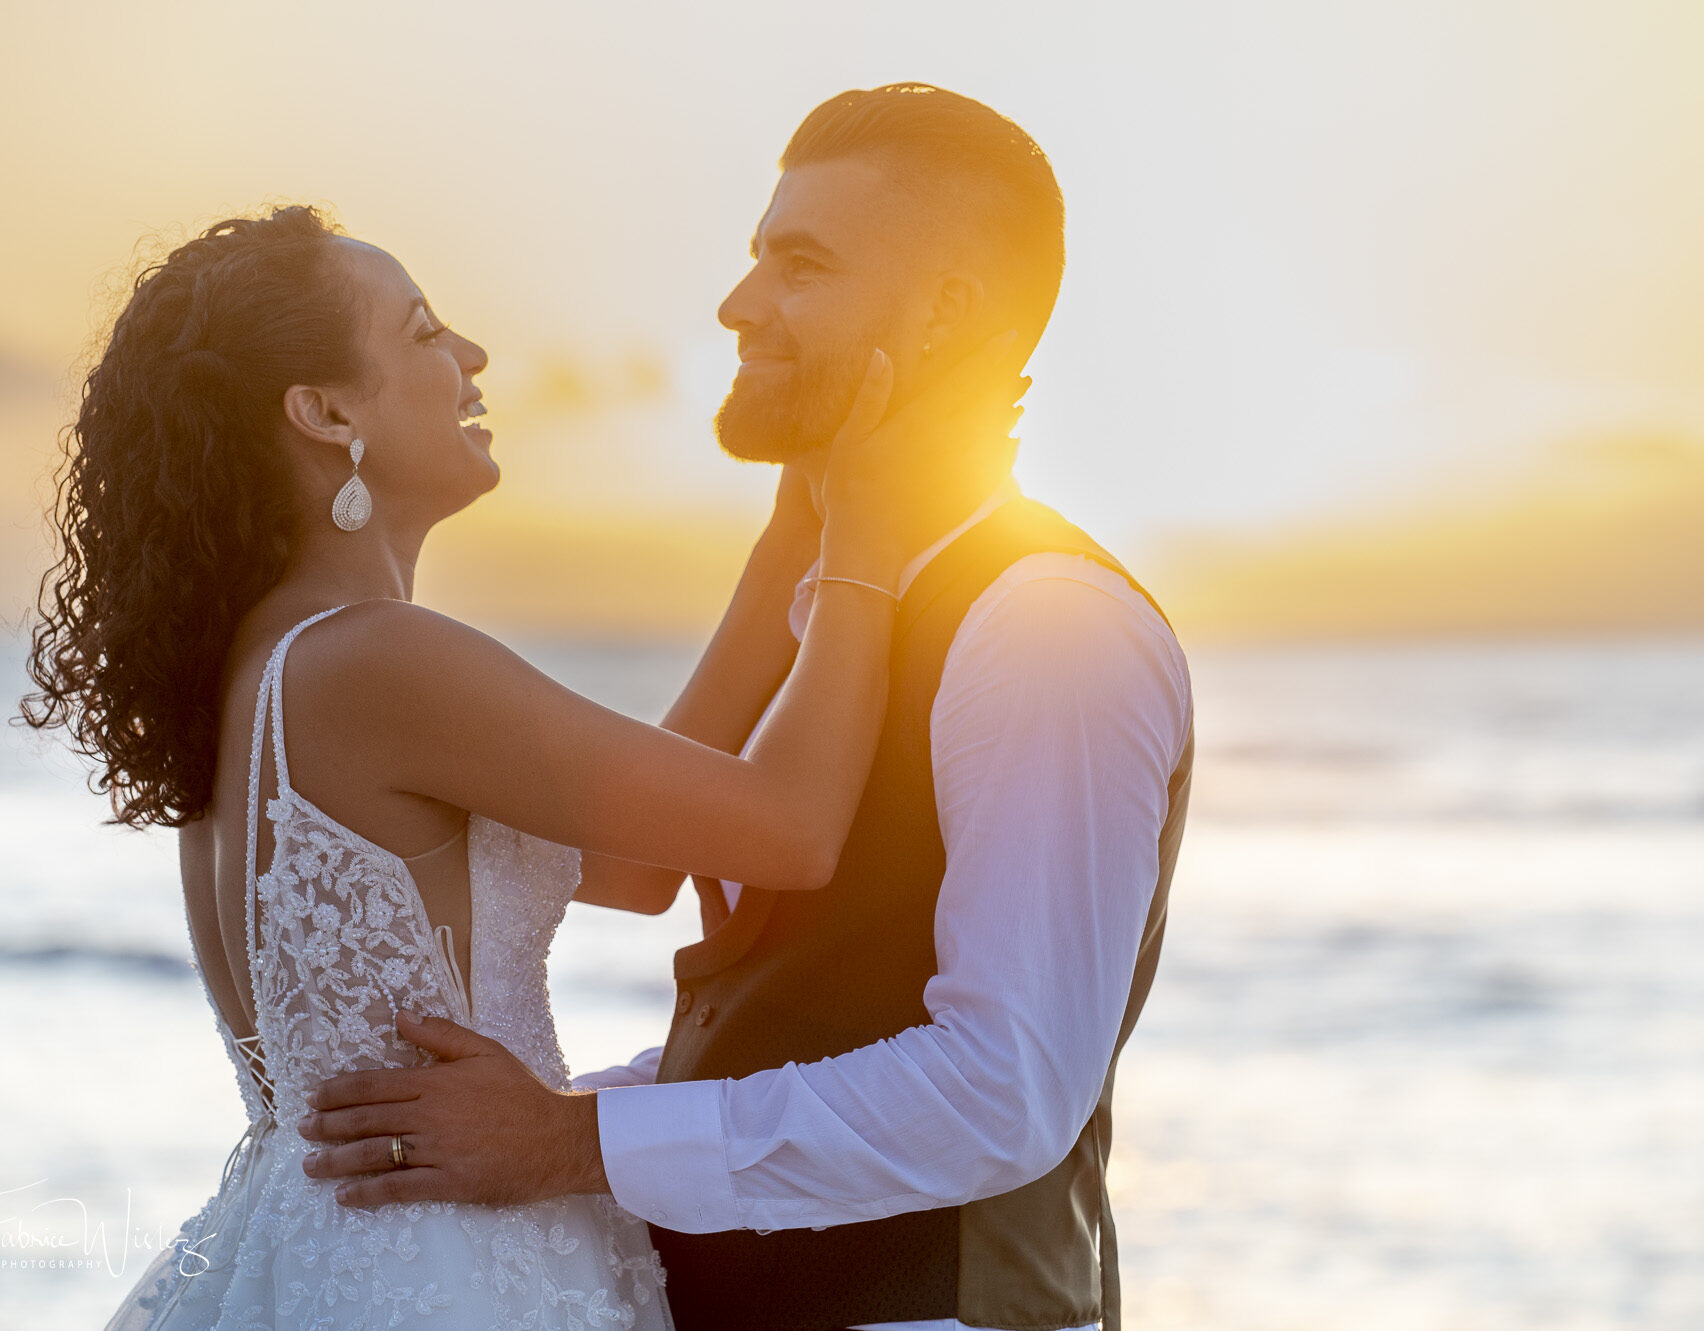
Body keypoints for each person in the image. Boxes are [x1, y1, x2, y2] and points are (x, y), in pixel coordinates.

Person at [22, 203, 1019, 1330]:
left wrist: (795, 529)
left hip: (343, 1245)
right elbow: (790, 824)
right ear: (324, 410)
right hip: (448, 1269)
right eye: (422, 331)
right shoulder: (378, 661)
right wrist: (867, 549)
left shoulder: (268, 666)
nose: (471, 357)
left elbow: (639, 866)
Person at [302, 84, 1196, 1331]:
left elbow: (1005, 1091)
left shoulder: (1046, 624)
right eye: (752, 258)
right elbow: (787, 1013)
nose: (737, 304)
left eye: (801, 265)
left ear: (946, 312)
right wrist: (524, 1119)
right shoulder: (840, 609)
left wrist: (578, 1139)